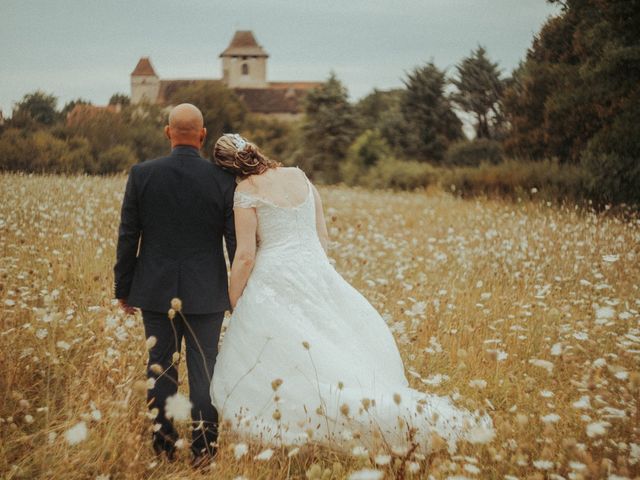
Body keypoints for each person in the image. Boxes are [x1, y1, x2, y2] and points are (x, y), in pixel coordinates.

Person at [209, 134, 493, 455]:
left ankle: (305, 422)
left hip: (274, 274)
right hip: (316, 270)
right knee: (330, 339)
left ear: (225, 167)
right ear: (254, 150)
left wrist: (236, 301)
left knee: (291, 349)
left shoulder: (245, 191)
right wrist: (316, 270)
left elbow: (245, 255)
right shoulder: (298, 176)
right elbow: (323, 236)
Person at [113, 104, 236, 467]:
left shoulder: (142, 174)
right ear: (202, 135)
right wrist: (237, 292)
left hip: (154, 289)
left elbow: (127, 236)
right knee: (204, 372)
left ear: (168, 133)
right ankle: (203, 451)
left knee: (160, 368)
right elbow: (234, 242)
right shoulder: (223, 180)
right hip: (207, 293)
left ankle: (164, 447)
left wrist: (124, 288)